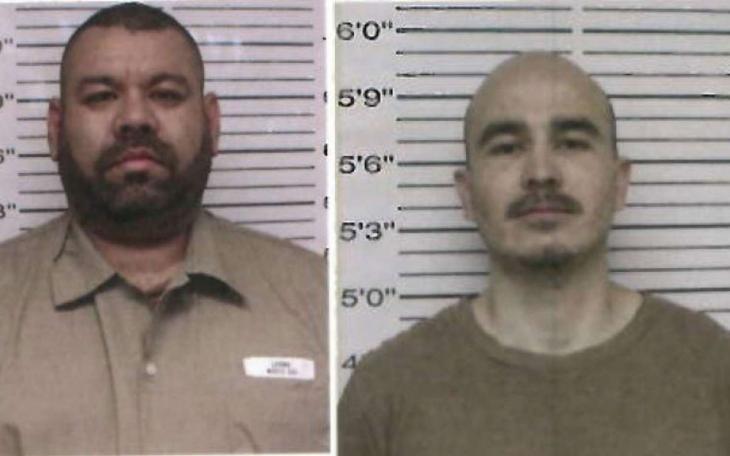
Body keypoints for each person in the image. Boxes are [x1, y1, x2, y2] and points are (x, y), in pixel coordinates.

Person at [338, 53, 730, 455]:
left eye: (572, 143)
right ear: (467, 194)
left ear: (619, 183)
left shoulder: (716, 371)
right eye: (507, 148)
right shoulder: (384, 394)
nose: (541, 173)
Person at [0, 3, 327, 454]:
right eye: (101, 96)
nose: (135, 118)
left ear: (212, 123)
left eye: (167, 95)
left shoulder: (317, 298)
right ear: (55, 128)